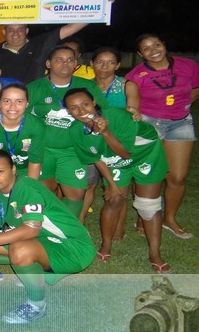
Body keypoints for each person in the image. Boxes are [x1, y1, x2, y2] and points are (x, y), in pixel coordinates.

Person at [0, 149, 95, 324]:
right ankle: (34, 273)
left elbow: (31, 230)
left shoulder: (27, 187)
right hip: (44, 239)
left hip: (74, 248)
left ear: (13, 170)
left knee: (19, 250)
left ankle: (36, 305)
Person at [64, 88, 170, 273]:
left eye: (85, 104)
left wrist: (105, 132)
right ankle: (106, 245)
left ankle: (155, 253)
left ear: (94, 102)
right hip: (115, 160)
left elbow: (125, 152)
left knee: (148, 204)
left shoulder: (118, 116)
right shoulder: (75, 131)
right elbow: (96, 158)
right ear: (68, 111)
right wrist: (112, 185)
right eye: (73, 108)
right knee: (115, 199)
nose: (81, 111)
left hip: (146, 154)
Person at [125, 33, 199, 239]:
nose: (153, 50)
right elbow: (132, 103)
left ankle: (170, 218)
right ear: (140, 54)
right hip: (149, 123)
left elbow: (195, 87)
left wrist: (182, 105)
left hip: (180, 123)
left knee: (177, 176)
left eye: (156, 44)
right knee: (146, 173)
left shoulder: (188, 66)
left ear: (164, 45)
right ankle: (143, 215)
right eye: (146, 48)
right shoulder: (136, 75)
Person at [26, 45, 109, 218]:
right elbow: (22, 117)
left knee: (75, 195)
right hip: (43, 150)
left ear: (76, 64)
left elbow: (103, 114)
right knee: (44, 193)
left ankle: (67, 233)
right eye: (59, 59)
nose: (65, 64)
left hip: (74, 150)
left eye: (70, 60)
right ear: (48, 63)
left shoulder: (87, 86)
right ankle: (44, 232)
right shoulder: (35, 87)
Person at [0, 0, 115, 84]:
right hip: (8, 103)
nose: (15, 34)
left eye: (20, 29)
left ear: (26, 31)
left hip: (36, 100)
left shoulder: (41, 43)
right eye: (10, 30)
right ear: (4, 32)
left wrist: (102, 6)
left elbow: (71, 27)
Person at [79, 46, 141, 225]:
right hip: (92, 140)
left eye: (111, 62)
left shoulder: (126, 85)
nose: (104, 67)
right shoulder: (85, 87)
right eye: (99, 62)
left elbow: (133, 112)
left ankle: (119, 225)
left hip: (117, 142)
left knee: (120, 185)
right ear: (91, 64)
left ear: (118, 65)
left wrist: (134, 112)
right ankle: (81, 221)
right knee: (89, 184)